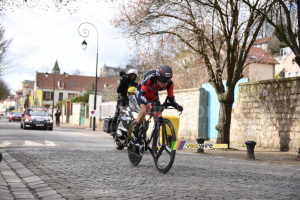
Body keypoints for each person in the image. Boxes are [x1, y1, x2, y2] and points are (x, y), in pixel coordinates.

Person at [130, 65, 183, 144]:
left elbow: (171, 99)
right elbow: (141, 94)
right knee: (144, 109)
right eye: (163, 81)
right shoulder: (150, 78)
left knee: (158, 116)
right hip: (141, 93)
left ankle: (155, 141)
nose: (165, 84)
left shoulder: (170, 84)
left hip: (153, 95)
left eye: (167, 81)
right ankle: (135, 129)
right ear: (158, 78)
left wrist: (177, 106)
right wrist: (147, 103)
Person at [111, 69, 138, 135]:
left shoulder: (136, 84)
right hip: (122, 102)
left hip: (132, 103)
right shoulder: (124, 82)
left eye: (134, 76)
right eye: (132, 76)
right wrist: (123, 81)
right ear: (129, 75)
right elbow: (118, 90)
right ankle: (113, 129)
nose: (133, 77)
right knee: (119, 113)